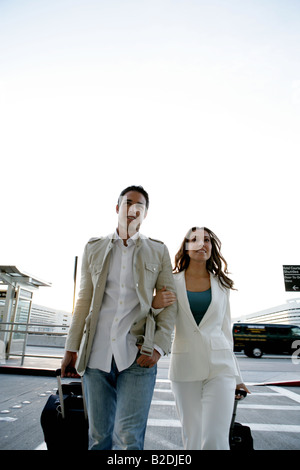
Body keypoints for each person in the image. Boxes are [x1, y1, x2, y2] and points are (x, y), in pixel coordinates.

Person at [61, 185, 177, 450]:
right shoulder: (94, 248)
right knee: (99, 438)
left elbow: (170, 304)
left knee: (129, 438)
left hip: (138, 355)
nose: (133, 209)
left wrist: (159, 347)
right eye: (128, 203)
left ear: (145, 215)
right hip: (96, 355)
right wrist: (71, 346)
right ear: (117, 208)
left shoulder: (158, 251)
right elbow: (83, 301)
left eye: (140, 206)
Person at [152, 226, 250, 450]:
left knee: (216, 438)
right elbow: (157, 317)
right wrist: (154, 304)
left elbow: (226, 332)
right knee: (193, 437)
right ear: (185, 248)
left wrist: (237, 377)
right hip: (185, 367)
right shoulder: (171, 281)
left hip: (221, 368)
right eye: (194, 239)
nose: (201, 243)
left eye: (206, 240)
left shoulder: (222, 285)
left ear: (211, 247)